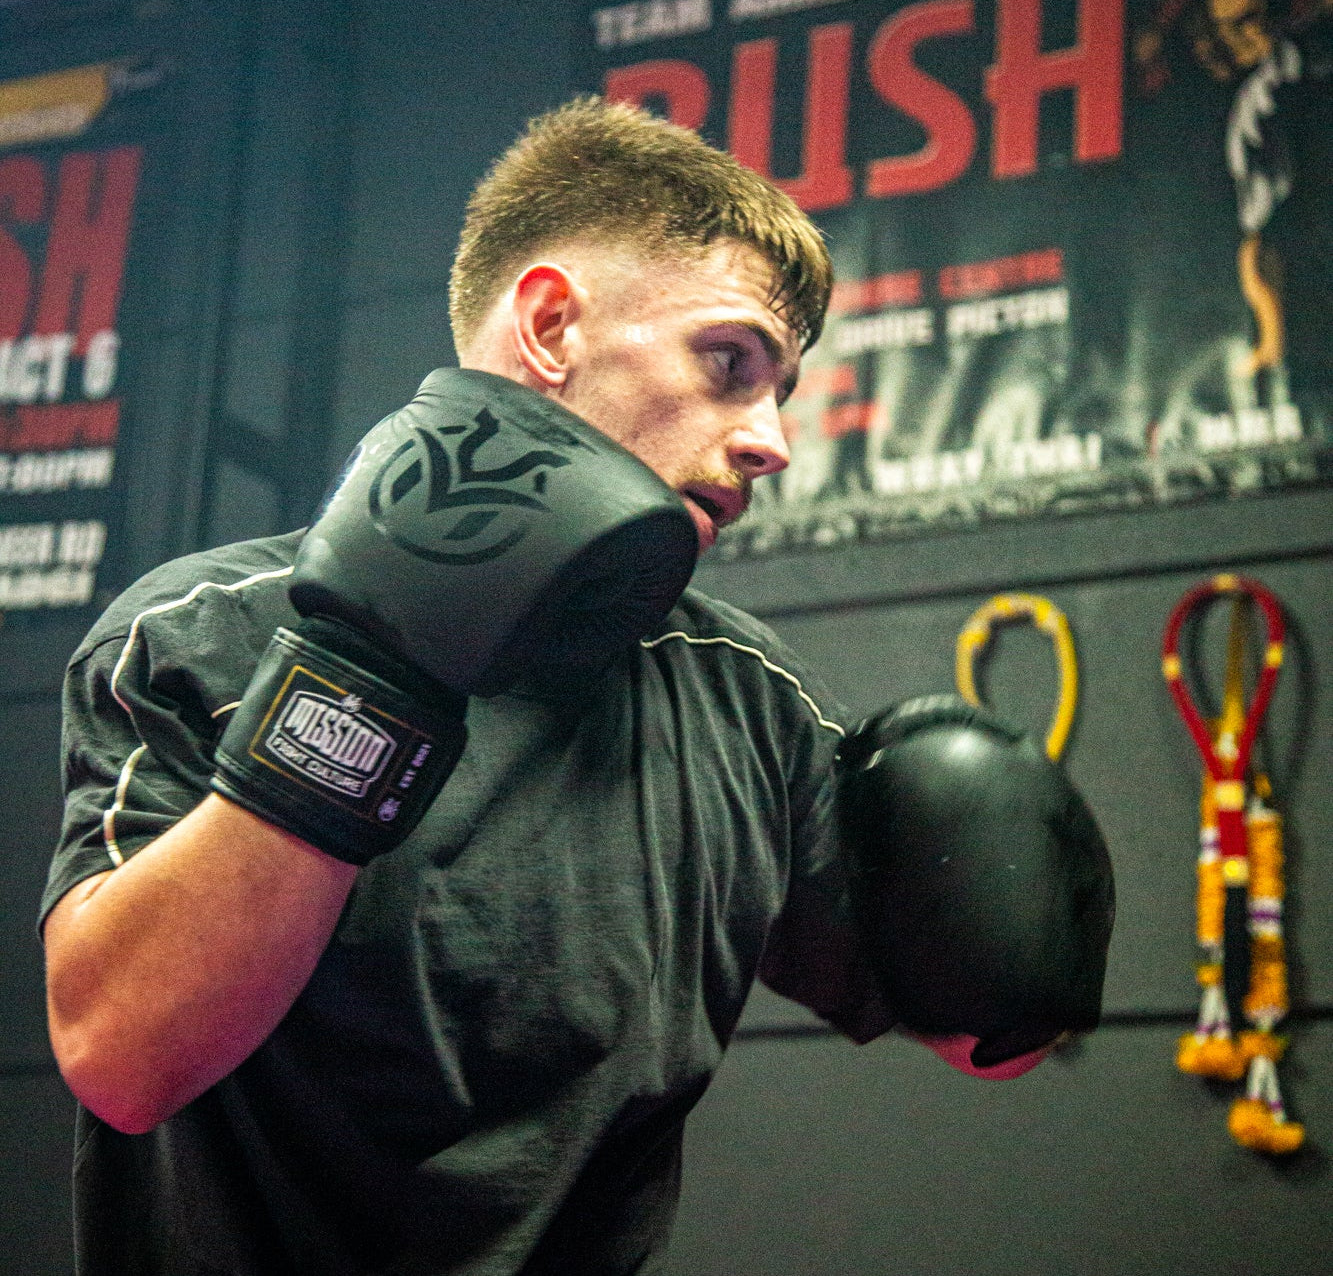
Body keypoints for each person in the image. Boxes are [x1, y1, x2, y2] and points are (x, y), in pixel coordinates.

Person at [41, 98, 1109, 1276]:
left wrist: (1021, 946)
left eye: (779, 394)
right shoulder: (205, 634)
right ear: (551, 324)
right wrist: (372, 671)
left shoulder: (745, 704)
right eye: (727, 363)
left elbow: (980, 1036)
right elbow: (125, 1059)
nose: (770, 442)